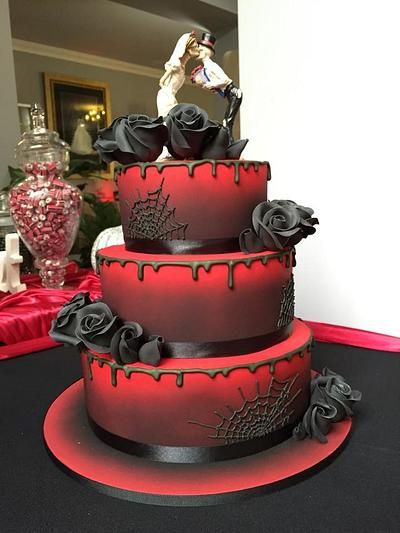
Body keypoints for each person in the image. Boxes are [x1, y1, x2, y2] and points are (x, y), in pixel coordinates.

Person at [191, 32, 243, 143]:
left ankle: (230, 143)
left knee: (227, 121)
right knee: (226, 121)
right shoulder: (205, 69)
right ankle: (229, 142)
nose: (197, 52)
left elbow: (225, 80)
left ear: (205, 52)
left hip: (234, 93)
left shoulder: (212, 66)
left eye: (199, 50)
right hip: (230, 94)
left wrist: (212, 84)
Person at [157, 32, 199, 118]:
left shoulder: (182, 67)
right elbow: (161, 81)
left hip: (170, 96)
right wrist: (167, 92)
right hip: (167, 96)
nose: (198, 49)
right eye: (196, 47)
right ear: (189, 50)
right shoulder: (176, 65)